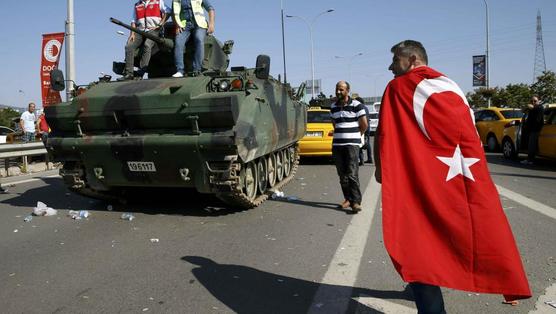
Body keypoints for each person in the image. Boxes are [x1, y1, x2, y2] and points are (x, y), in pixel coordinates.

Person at [374, 40, 531, 313]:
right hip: (456, 175)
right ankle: (494, 277)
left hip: (417, 179)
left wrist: (380, 168)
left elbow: (385, 135)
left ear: (412, 60)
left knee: (417, 240)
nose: (390, 67)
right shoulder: (449, 85)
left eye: (395, 60)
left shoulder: (398, 88)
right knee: (466, 228)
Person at [330, 81, 368, 213]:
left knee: (352, 174)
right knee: (342, 175)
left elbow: (364, 124)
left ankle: (356, 202)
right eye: (337, 89)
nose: (338, 92)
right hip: (337, 145)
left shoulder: (357, 105)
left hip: (352, 145)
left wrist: (356, 137)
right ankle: (348, 199)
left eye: (341, 89)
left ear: (347, 90)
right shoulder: (333, 107)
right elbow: (335, 124)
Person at [119, 0, 170, 81]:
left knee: (147, 45)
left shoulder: (158, 1)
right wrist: (132, 34)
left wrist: (160, 24)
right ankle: (129, 73)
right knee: (129, 46)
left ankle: (141, 72)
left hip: (154, 30)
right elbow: (133, 21)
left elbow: (168, 12)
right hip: (140, 30)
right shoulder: (137, 5)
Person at [171, 0, 215, 78]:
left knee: (199, 39)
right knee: (178, 42)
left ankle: (197, 69)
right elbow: (173, 13)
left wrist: (211, 24)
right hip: (184, 25)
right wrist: (177, 25)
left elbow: (210, 9)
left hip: (199, 24)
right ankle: (180, 70)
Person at [521, 96, 544, 165]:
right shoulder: (532, 109)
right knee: (530, 144)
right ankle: (530, 158)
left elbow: (535, 109)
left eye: (535, 101)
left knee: (531, 145)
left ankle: (530, 160)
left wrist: (531, 107)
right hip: (531, 129)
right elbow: (523, 111)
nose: (533, 102)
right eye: (532, 101)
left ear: (539, 101)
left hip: (536, 129)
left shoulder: (540, 107)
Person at [355, 97, 373, 165]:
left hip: (362, 126)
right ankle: (370, 158)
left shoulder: (360, 107)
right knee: (367, 142)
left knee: (359, 142)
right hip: (368, 126)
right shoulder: (366, 107)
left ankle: (361, 160)